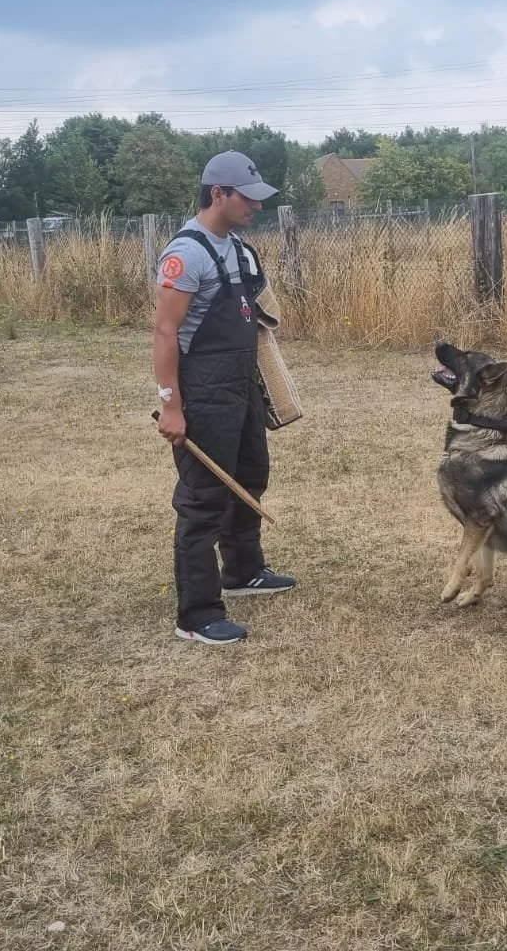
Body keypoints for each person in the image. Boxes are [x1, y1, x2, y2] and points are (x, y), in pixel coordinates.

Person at [154, 151, 297, 645]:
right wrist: (171, 404)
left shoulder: (238, 248)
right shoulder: (185, 253)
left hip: (241, 385)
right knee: (204, 499)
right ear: (219, 194)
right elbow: (166, 333)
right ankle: (196, 614)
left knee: (251, 477)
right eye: (248, 198)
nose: (256, 206)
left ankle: (243, 571)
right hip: (204, 392)